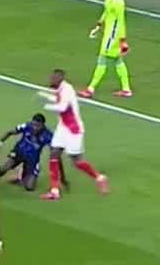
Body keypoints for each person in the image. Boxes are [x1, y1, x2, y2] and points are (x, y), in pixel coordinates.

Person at [39, 69, 109, 201]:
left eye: (53, 78)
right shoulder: (60, 89)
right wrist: (45, 96)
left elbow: (63, 107)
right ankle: (54, 191)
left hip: (73, 129)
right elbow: (58, 99)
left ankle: (99, 178)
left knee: (76, 161)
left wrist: (47, 106)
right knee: (54, 154)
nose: (50, 80)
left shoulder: (67, 90)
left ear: (59, 79)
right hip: (63, 127)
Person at [0, 113, 68, 192]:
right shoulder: (27, 126)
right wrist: (0, 142)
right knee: (5, 166)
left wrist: (62, 177)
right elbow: (10, 132)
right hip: (18, 152)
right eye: (33, 124)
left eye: (38, 126)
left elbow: (56, 157)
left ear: (43, 125)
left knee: (29, 187)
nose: (35, 128)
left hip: (32, 160)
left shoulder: (48, 135)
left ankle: (24, 174)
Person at [79, 0, 132, 99]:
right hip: (108, 34)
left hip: (113, 36)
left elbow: (121, 21)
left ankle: (90, 89)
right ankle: (126, 89)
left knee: (102, 59)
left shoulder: (119, 3)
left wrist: (122, 40)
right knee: (118, 61)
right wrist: (99, 24)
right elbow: (106, 12)